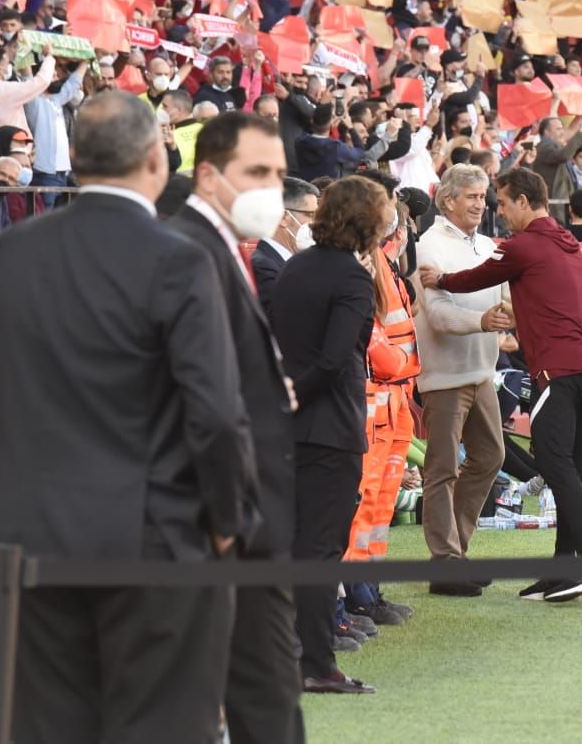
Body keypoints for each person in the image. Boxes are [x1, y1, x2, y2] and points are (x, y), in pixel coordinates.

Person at [0, 92, 257, 743]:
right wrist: (227, 522)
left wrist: (7, 496)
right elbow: (218, 413)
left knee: (49, 723)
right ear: (155, 160)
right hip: (154, 541)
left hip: (34, 534)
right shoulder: (179, 259)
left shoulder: (4, 254)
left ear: (76, 158)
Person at [167, 111, 303, 743]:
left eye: (276, 174)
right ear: (210, 174)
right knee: (260, 695)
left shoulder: (219, 247)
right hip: (226, 521)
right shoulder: (187, 248)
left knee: (263, 694)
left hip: (243, 513)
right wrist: (230, 520)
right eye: (256, 173)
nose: (269, 188)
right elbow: (200, 397)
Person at [419, 168, 582, 603]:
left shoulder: (521, 245)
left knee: (555, 465)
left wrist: (443, 280)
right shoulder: (565, 242)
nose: (495, 210)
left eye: (501, 202)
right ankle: (563, 568)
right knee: (568, 466)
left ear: (524, 202)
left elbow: (476, 279)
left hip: (555, 373)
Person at [270, 175, 386, 695]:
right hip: (330, 426)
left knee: (296, 544)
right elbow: (336, 359)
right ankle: (315, 663)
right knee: (320, 549)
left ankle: (295, 654)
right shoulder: (353, 279)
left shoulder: (294, 268)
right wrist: (295, 391)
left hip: (289, 427)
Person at [414, 165, 511, 594]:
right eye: (471, 196)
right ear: (447, 199)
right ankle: (446, 560)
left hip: (481, 370)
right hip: (444, 375)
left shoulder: (488, 245)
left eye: (483, 195)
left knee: (490, 457)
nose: (480, 203)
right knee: (440, 470)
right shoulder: (427, 246)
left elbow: (505, 297)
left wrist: (508, 314)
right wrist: (485, 320)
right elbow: (437, 314)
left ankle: (455, 552)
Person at [251, 176, 319, 324]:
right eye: (310, 215)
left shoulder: (300, 261)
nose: (316, 224)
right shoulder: (263, 266)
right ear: (283, 217)